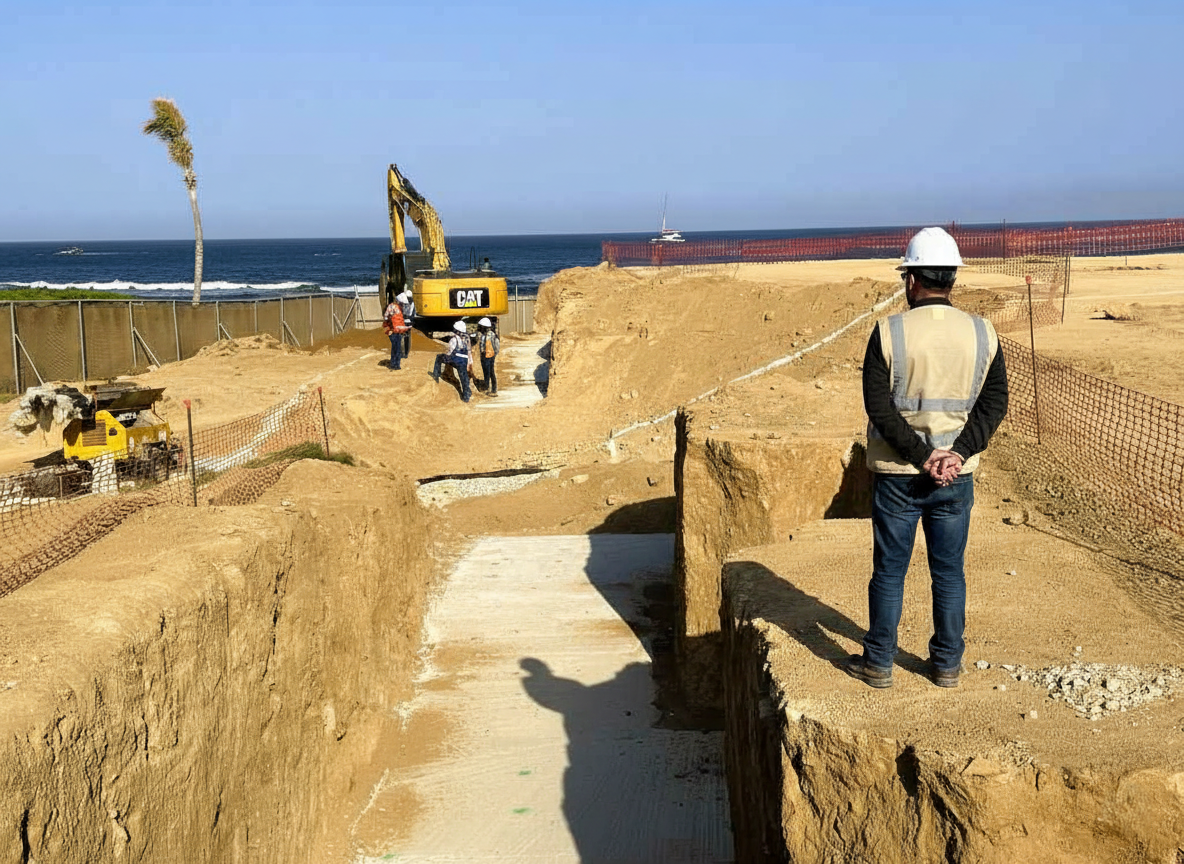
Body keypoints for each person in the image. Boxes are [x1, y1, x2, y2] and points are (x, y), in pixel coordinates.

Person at [843, 227, 1009, 690]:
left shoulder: (888, 332)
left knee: (890, 570)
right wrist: (954, 454)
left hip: (899, 476)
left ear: (911, 280)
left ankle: (878, 662)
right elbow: (995, 403)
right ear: (952, 278)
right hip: (955, 477)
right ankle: (946, 665)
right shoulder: (983, 333)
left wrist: (921, 457)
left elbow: (879, 405)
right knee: (949, 572)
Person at [433, 320, 472, 402]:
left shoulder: (454, 339)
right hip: (464, 360)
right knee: (464, 377)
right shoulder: (467, 339)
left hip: (455, 358)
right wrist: (469, 361)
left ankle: (436, 375)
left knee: (439, 357)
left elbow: (451, 350)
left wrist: (447, 357)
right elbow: (469, 351)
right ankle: (466, 395)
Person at [382, 296, 409, 370]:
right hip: (392, 330)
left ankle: (396, 364)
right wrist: (390, 327)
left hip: (398, 330)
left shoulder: (399, 308)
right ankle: (394, 364)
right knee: (395, 347)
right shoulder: (392, 307)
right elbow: (386, 318)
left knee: (397, 347)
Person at [476, 316, 499, 396]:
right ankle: (488, 387)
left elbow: (496, 346)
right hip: (484, 355)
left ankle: (492, 389)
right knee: (486, 372)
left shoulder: (492, 335)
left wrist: (493, 355)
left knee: (490, 372)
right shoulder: (482, 335)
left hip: (489, 356)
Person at [397, 291, 415, 359]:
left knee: (402, 338)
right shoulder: (412, 303)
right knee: (407, 339)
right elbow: (412, 314)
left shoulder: (405, 303)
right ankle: (405, 354)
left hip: (405, 322)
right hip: (408, 323)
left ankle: (402, 353)